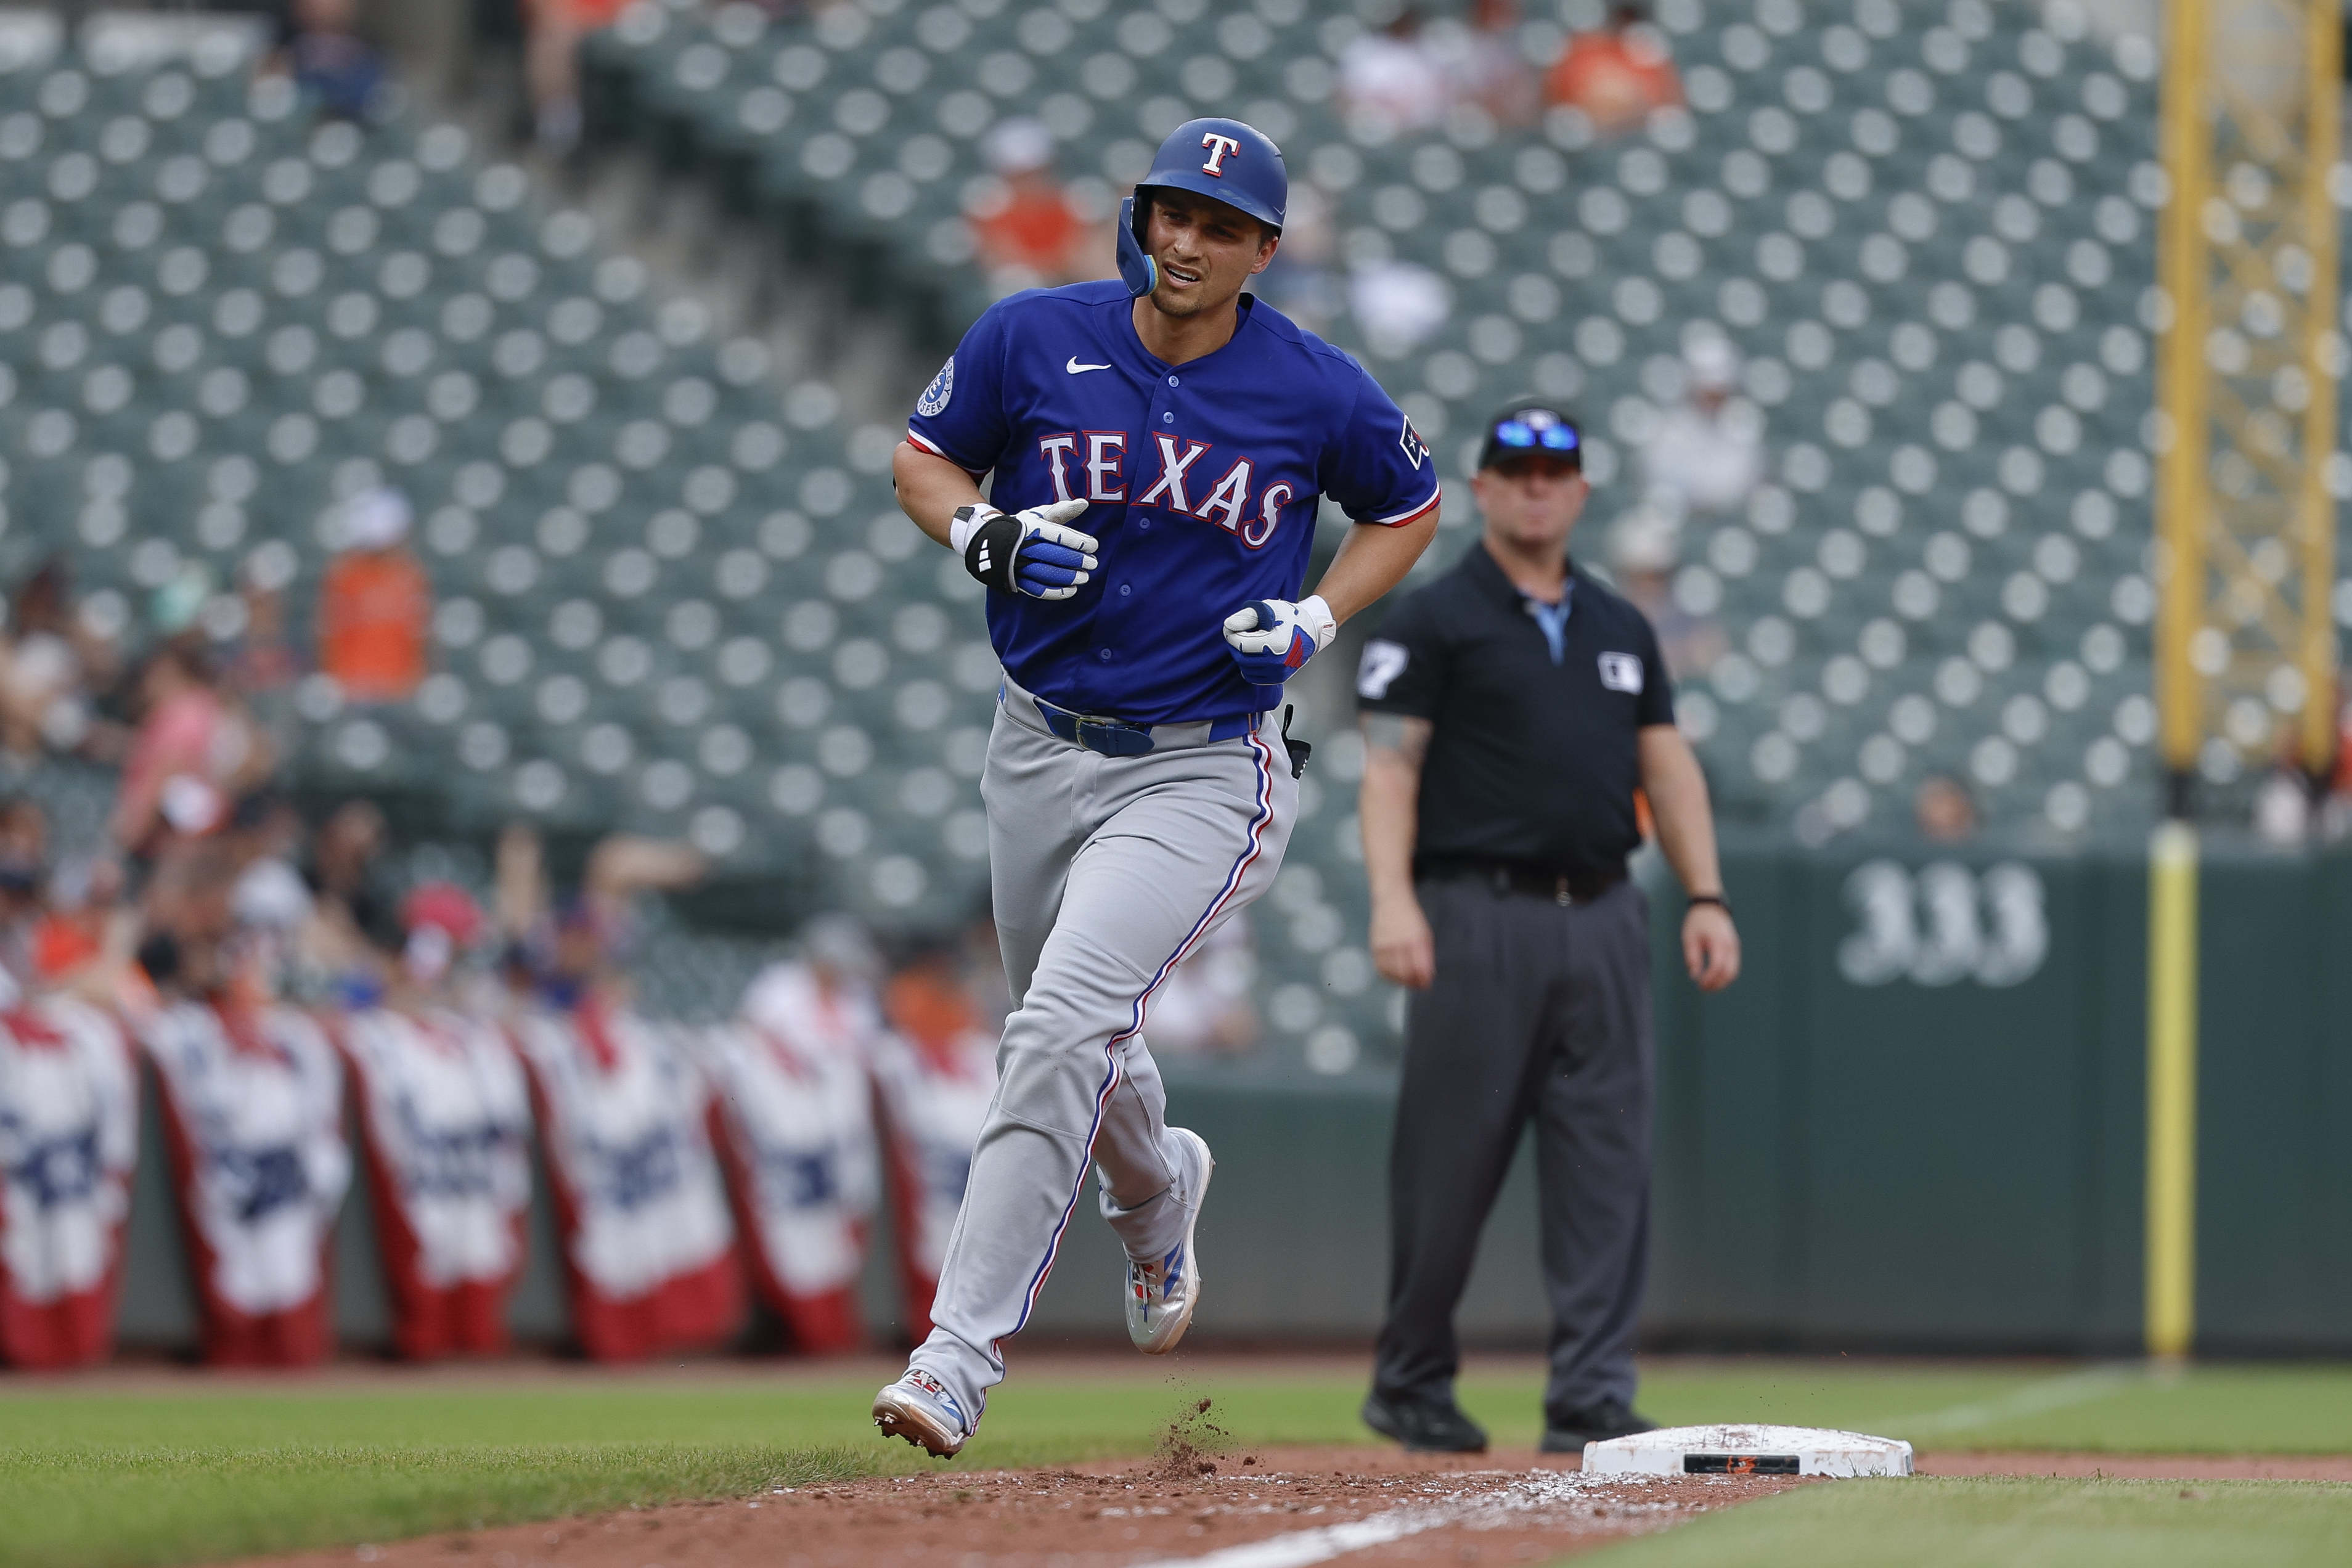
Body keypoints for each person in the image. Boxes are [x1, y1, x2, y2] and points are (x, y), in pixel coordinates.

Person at [874, 116, 1442, 1456]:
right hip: (1034, 742)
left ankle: (956, 1356)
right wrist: (982, 532)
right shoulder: (1033, 335)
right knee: (1075, 1029)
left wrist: (1316, 616)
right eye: (1171, 213)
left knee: (1058, 1026)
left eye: (1219, 226)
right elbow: (922, 458)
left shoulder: (1314, 385)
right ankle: (1157, 1193)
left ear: (1264, 252)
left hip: (1201, 760)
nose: (1186, 241)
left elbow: (1410, 504)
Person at [1353, 402, 1738, 1454]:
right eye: (1516, 470)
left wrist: (1706, 893)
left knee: (1606, 1160)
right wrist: (1393, 898)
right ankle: (1412, 1377)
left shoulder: (1621, 626)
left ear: (1580, 491)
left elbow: (1668, 765)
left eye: (1553, 471)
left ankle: (1591, 1391)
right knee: (1448, 1158)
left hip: (1604, 911)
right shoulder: (1432, 618)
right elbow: (1389, 768)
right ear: (1482, 488)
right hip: (1477, 911)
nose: (1535, 487)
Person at [316, 488, 431, 703]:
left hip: (400, 693)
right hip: (353, 692)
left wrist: (413, 687)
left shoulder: (411, 576)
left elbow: (420, 639)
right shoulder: (344, 575)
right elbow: (329, 636)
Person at [1640, 337, 1762, 521]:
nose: (1715, 399)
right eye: (1710, 391)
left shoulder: (1742, 431)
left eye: (1720, 392)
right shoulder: (1667, 431)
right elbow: (1661, 485)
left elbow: (1745, 485)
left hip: (1729, 521)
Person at [967, 118, 1093, 290]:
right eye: (1022, 175)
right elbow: (997, 256)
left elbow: (1078, 256)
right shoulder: (988, 209)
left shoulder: (1070, 204)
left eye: (1039, 172)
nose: (1032, 181)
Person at [1545, 2, 1683, 136]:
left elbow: (1668, 112)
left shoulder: (1652, 61)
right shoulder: (1584, 50)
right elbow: (1552, 98)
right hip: (1579, 131)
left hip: (1632, 135)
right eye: (1624, 18)